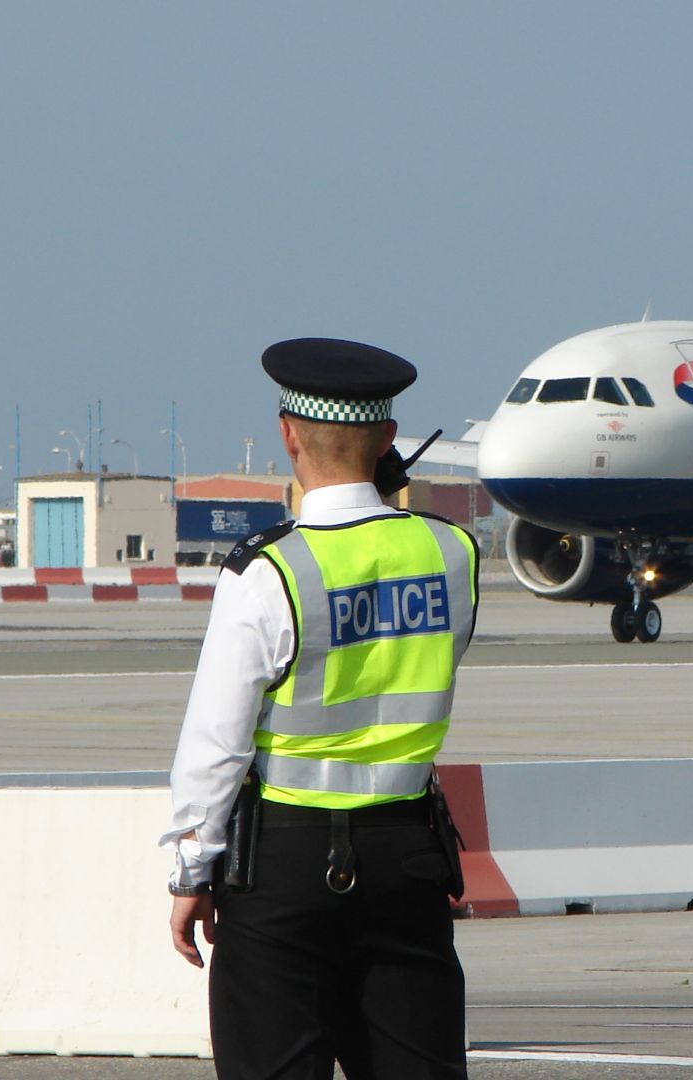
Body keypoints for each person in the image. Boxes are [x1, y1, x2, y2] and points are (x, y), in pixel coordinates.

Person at [162, 337, 477, 1080]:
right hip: (408, 857)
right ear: (389, 440)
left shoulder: (265, 570)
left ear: (288, 435)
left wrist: (190, 870)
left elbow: (217, 740)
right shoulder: (452, 555)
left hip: (285, 866)